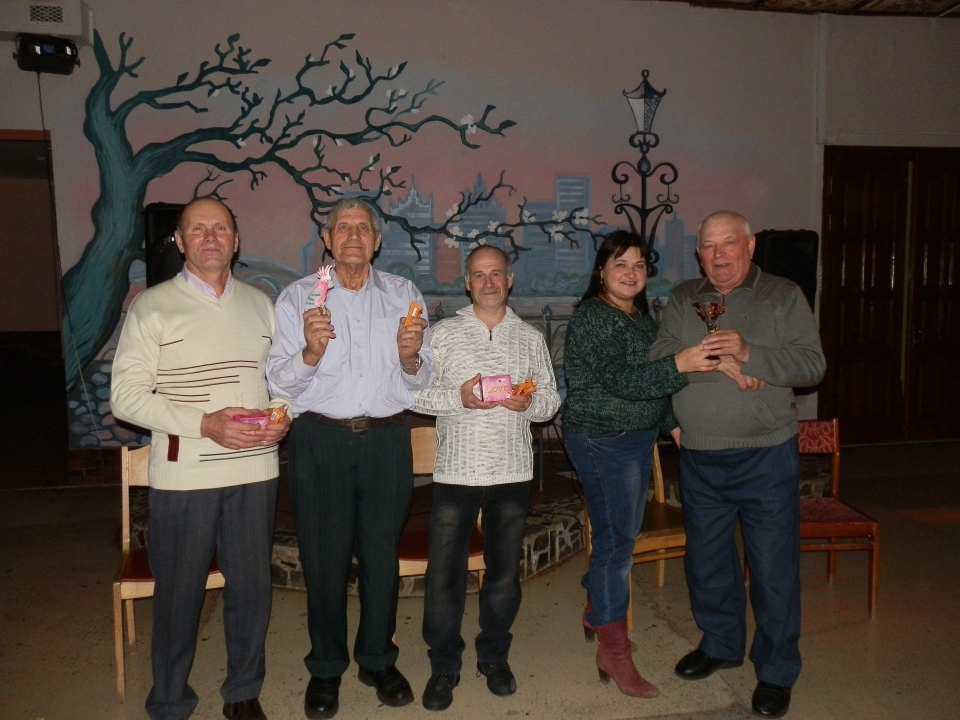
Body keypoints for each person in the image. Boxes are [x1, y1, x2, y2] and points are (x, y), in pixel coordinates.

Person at [110, 197, 292, 720]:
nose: (210, 237)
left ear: (236, 241)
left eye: (221, 228)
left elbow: (282, 381)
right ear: (179, 241)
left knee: (252, 591)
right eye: (197, 229)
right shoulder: (151, 306)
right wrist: (205, 423)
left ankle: (242, 693)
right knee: (178, 597)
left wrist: (284, 415)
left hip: (255, 471)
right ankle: (170, 700)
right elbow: (125, 398)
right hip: (184, 476)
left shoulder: (262, 305)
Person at [650, 211, 826, 718]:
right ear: (698, 253)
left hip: (765, 454)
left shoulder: (782, 295)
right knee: (707, 563)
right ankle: (721, 644)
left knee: (772, 568)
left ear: (749, 246)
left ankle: (776, 669)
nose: (719, 254)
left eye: (729, 243)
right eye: (709, 246)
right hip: (700, 454)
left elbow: (812, 366)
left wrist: (750, 353)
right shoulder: (684, 297)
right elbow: (661, 360)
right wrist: (723, 364)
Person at [266, 198, 435, 719]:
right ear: (327, 238)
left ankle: (377, 659)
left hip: (387, 439)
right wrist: (309, 353)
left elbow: (423, 381)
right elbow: (277, 382)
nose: (354, 235)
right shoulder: (299, 298)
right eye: (343, 227)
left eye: (364, 227)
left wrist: (410, 357)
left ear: (378, 241)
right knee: (324, 558)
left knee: (382, 556)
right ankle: (325, 667)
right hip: (320, 438)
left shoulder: (404, 295)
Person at [562, 230, 718, 699]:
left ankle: (597, 606)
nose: (631, 273)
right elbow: (622, 380)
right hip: (601, 440)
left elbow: (653, 386)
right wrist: (681, 364)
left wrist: (672, 424)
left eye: (638, 265)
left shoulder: (640, 318)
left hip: (635, 439)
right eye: (620, 264)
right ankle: (613, 651)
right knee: (616, 547)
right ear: (601, 271)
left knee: (620, 539)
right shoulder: (593, 316)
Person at [410, 245, 561, 711]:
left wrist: (528, 404)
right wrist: (457, 397)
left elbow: (550, 401)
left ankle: (494, 656)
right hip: (456, 472)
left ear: (509, 279)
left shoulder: (529, 338)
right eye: (479, 275)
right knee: (443, 575)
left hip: (512, 472)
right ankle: (444, 664)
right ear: (467, 283)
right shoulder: (443, 335)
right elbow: (414, 396)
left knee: (503, 575)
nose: (489, 282)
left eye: (496, 274)